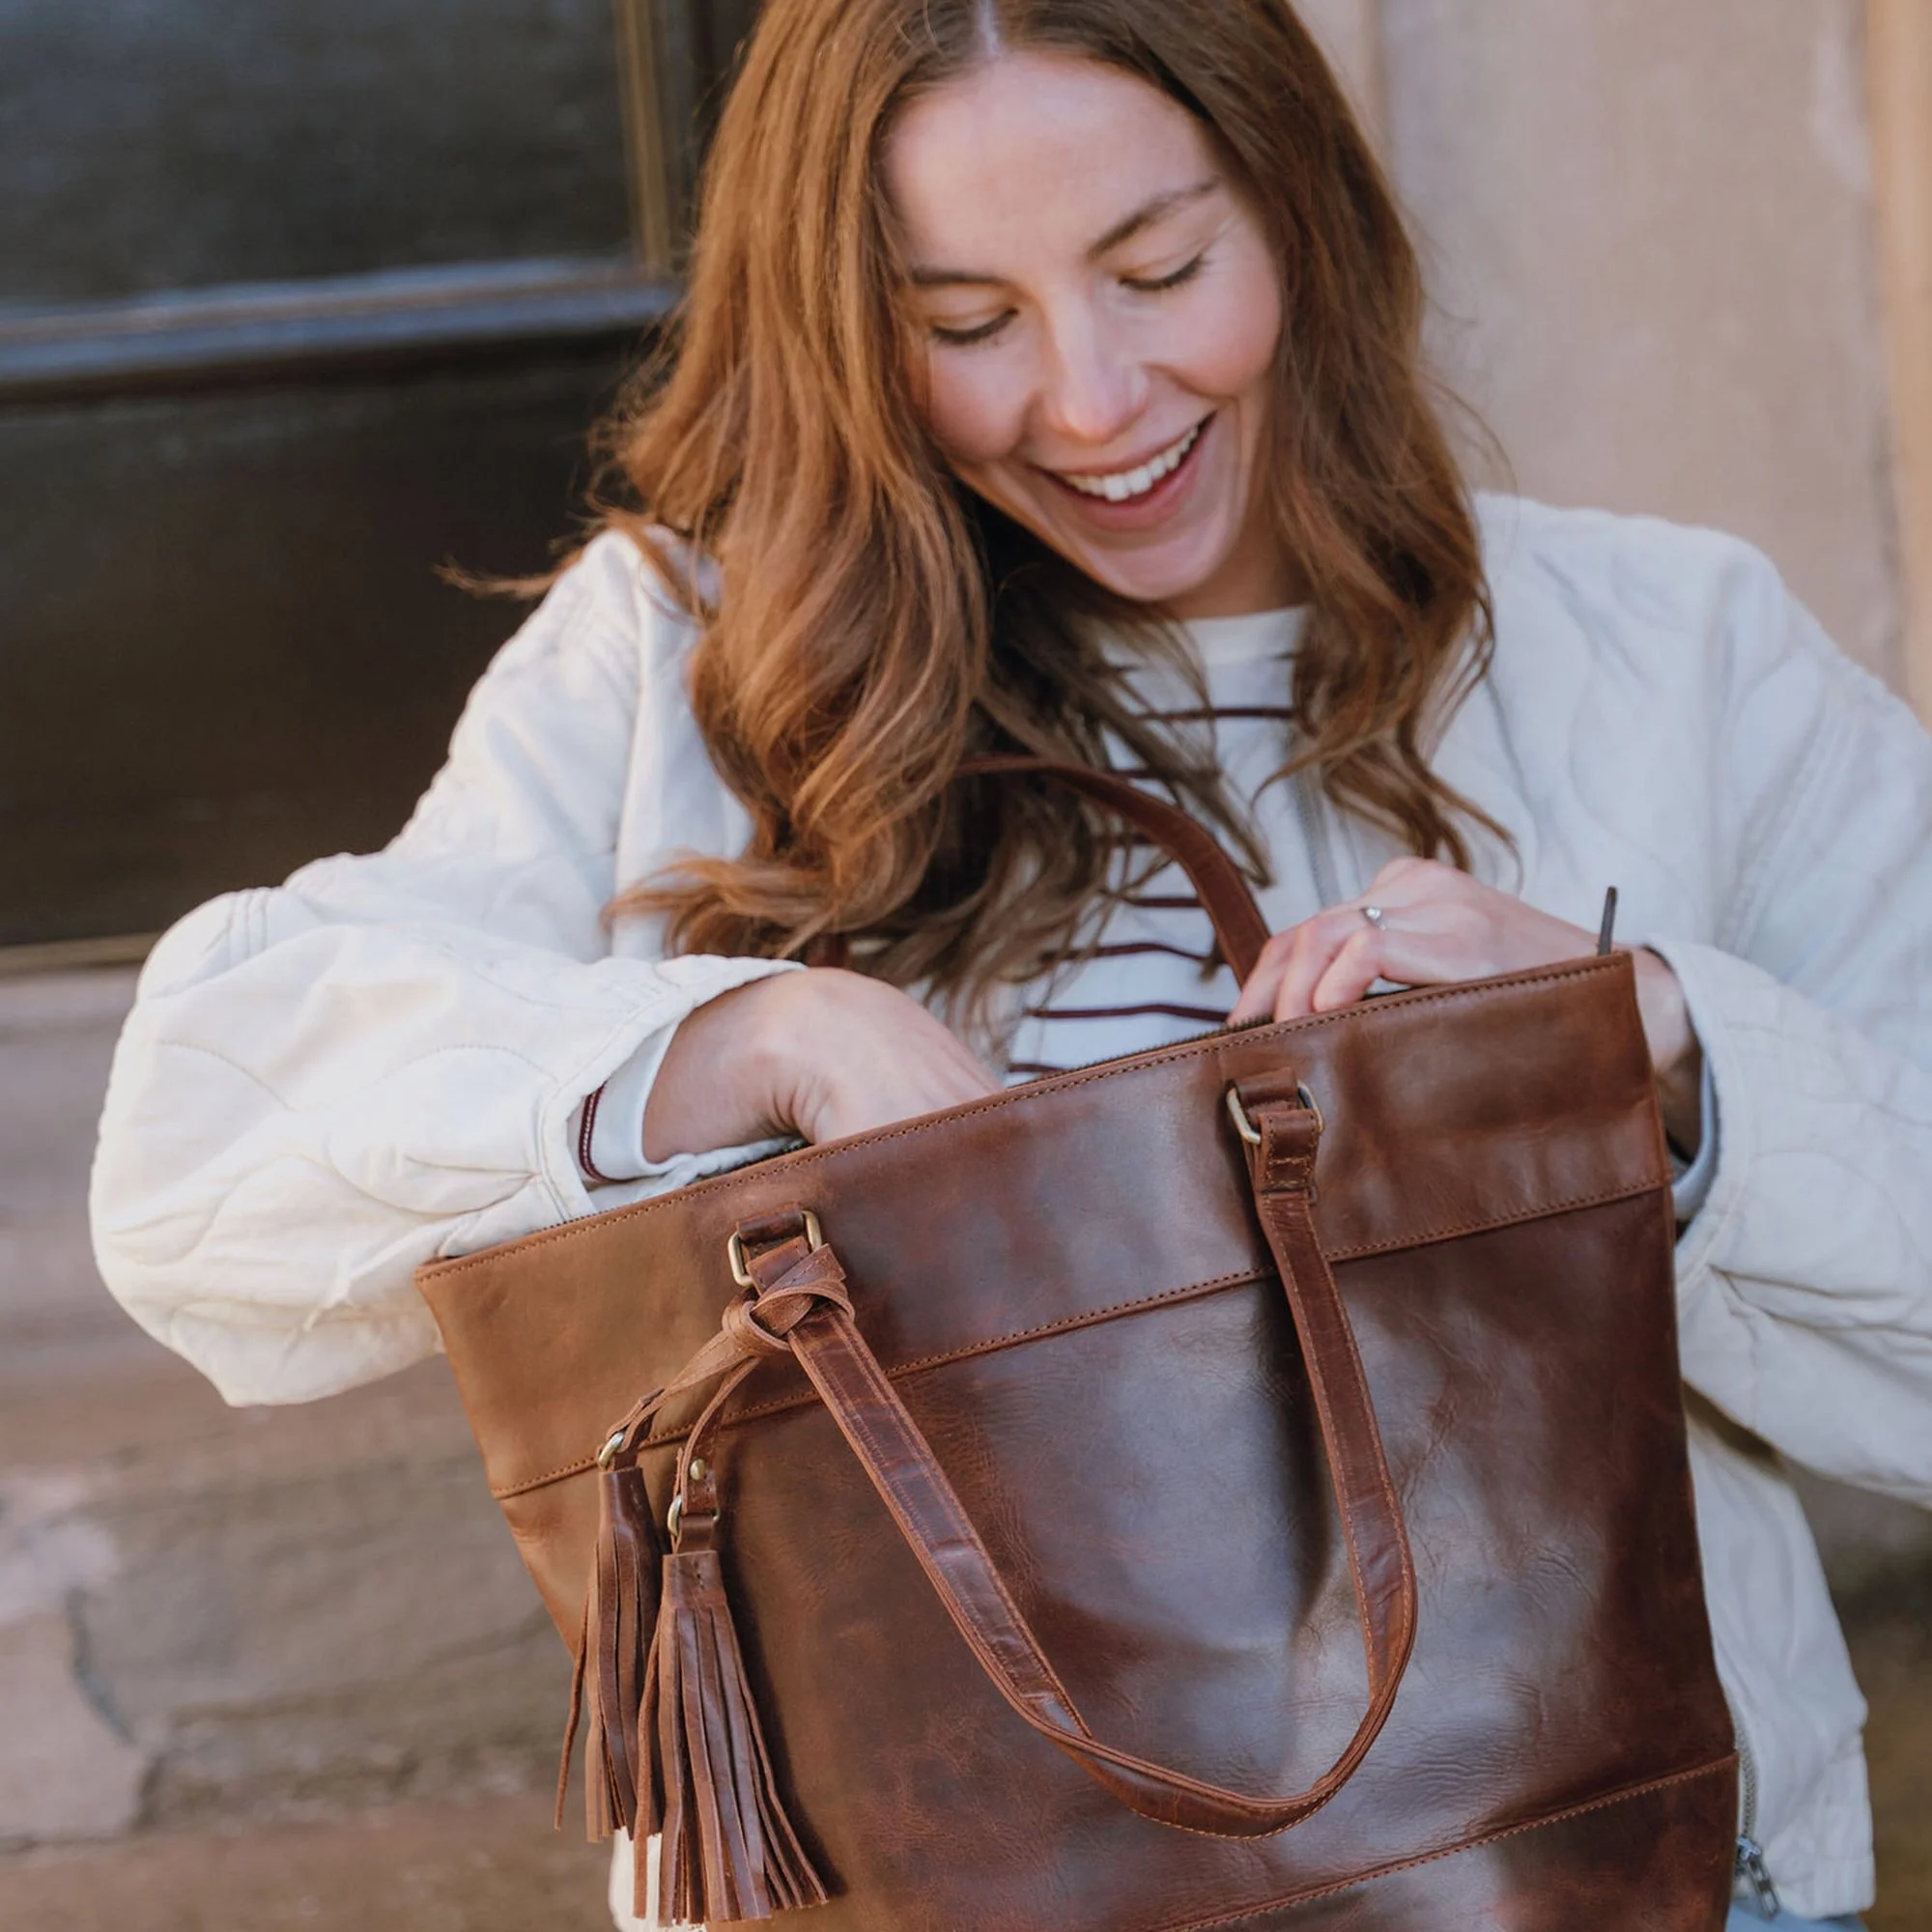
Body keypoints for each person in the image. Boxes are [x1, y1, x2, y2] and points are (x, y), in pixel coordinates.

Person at [90, 2, 1927, 1926]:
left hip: (1576, 1876)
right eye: (965, 321)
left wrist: (1658, 1055)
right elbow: (191, 1176)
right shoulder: (686, 675)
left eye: (1160, 270)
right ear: (844, 324)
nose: (1092, 399)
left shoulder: (1667, 652)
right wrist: (737, 1038)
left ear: (1300, 207)